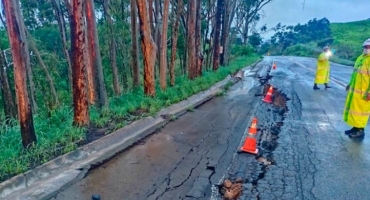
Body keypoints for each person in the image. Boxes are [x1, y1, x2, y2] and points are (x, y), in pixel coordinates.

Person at [343, 38, 370, 138]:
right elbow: (355, 74)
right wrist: (350, 84)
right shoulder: (361, 58)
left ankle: (360, 130)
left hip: (365, 92)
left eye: (369, 47)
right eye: (366, 47)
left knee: (361, 112)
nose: (367, 48)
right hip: (356, 91)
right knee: (354, 110)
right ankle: (355, 127)